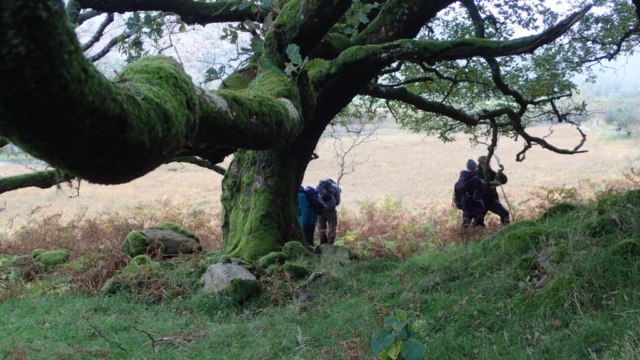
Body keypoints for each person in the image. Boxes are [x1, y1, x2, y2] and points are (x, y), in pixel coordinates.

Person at [476, 155, 510, 226]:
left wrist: (500, 175)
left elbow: (504, 180)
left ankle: (506, 230)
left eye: (488, 163)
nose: (488, 165)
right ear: (480, 164)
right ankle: (478, 234)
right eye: (486, 164)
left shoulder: (491, 172)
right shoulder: (476, 174)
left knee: (505, 213)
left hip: (492, 200)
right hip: (481, 202)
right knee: (477, 222)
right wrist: (489, 187)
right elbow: (477, 187)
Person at [458, 159, 486, 228]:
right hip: (476, 206)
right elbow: (483, 192)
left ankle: (463, 237)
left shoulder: (462, 178)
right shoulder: (476, 179)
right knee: (478, 225)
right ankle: (479, 238)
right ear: (475, 167)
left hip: (466, 207)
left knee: (465, 225)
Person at [316, 178, 341, 244]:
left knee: (321, 226)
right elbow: (337, 202)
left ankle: (322, 243)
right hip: (331, 210)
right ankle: (330, 243)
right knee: (332, 226)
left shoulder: (318, 186)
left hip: (320, 209)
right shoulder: (336, 187)